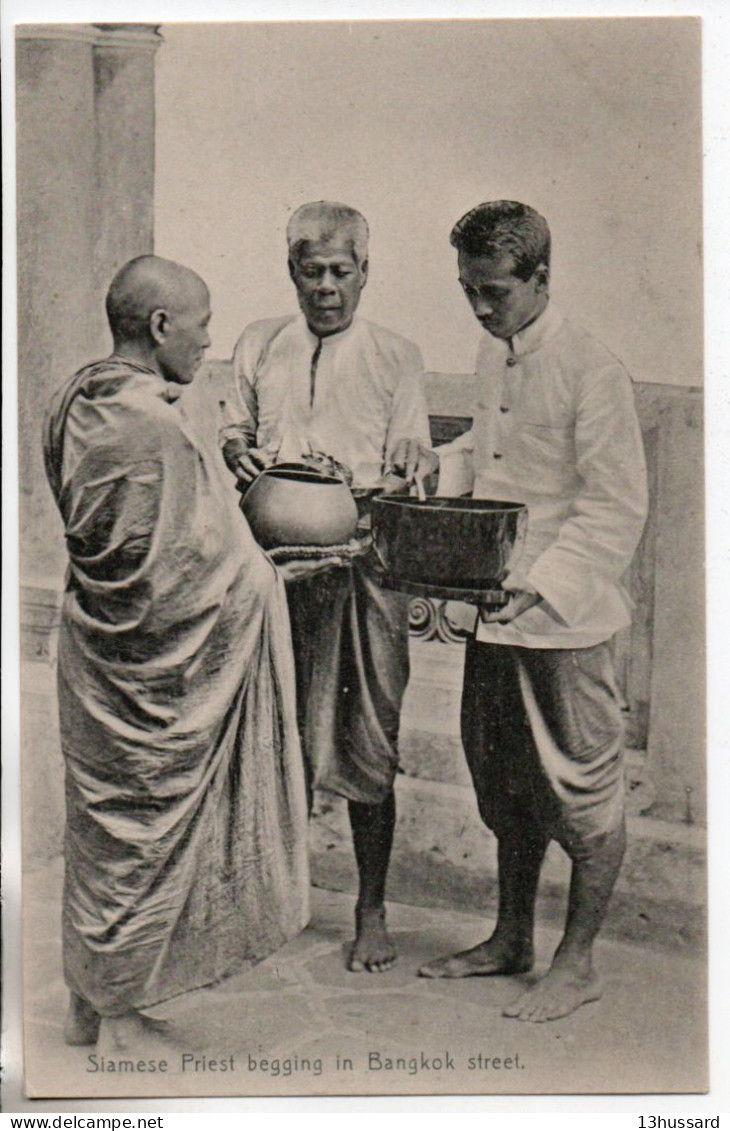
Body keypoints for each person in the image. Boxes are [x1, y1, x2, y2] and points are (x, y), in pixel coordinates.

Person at [44, 255, 338, 1049]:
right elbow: (188, 577)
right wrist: (273, 578)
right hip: (152, 671)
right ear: (162, 326)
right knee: (147, 834)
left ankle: (91, 996)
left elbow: (131, 552)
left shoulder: (77, 399)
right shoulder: (159, 428)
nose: (208, 342)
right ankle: (116, 1015)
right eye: (202, 326)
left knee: (107, 834)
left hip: (94, 655)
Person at [417, 201, 649, 1022]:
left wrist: (544, 582)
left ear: (542, 278)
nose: (479, 308)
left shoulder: (592, 369)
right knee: (505, 787)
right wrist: (432, 468)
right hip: (495, 614)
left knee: (583, 796)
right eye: (468, 291)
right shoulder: (494, 352)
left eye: (494, 292)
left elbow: (617, 509)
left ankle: (576, 961)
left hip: (568, 625)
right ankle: (510, 936)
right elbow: (488, 459)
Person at [219, 202, 433, 972]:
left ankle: (370, 909)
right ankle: (257, 899)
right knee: (258, 730)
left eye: (342, 272)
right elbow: (236, 432)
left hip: (359, 567)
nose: (326, 288)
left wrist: (407, 455)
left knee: (367, 738)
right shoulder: (258, 344)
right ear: (292, 273)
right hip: (270, 567)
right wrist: (238, 449)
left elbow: (410, 442)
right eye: (312, 272)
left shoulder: (395, 355)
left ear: (365, 273)